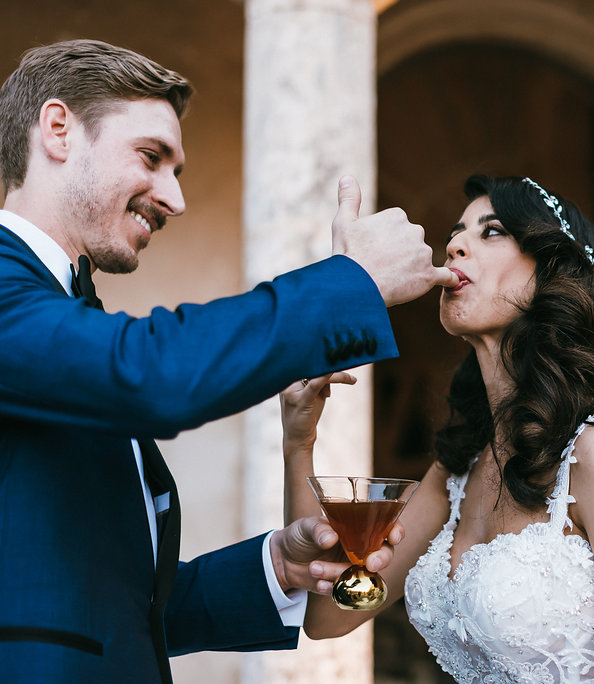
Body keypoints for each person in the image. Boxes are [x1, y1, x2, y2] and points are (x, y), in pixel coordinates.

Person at [0, 39, 457, 683]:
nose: (173, 198)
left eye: (178, 171)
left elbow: (120, 608)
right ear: (57, 130)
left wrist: (279, 567)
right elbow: (153, 374)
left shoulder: (68, 310)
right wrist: (353, 283)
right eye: (151, 157)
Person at [281, 174, 594, 682]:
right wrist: (299, 444)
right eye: (456, 232)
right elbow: (328, 616)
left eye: (491, 231)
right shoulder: (459, 467)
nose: (453, 244)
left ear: (551, 273)